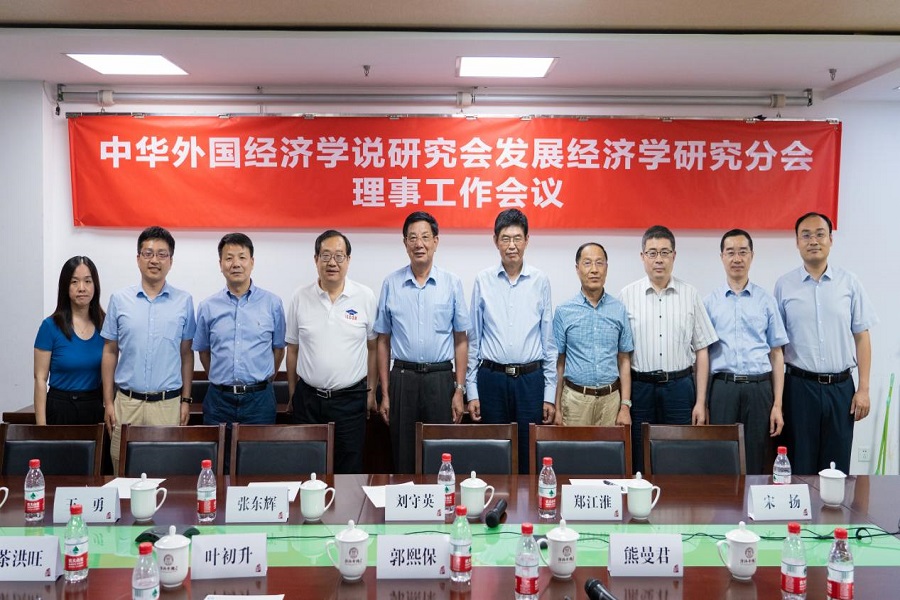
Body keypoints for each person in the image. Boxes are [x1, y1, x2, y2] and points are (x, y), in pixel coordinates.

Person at [774, 212, 878, 474]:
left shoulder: (849, 283)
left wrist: (864, 389)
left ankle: (834, 504)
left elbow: (862, 337)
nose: (813, 241)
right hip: (799, 389)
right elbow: (776, 347)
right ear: (797, 242)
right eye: (806, 235)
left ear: (830, 240)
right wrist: (777, 399)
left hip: (841, 389)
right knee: (800, 464)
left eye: (820, 234)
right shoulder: (784, 285)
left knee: (836, 468)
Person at [375, 211, 469, 474]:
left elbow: (461, 340)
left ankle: (441, 500)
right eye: (413, 237)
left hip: (440, 380)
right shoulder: (391, 284)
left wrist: (459, 390)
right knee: (402, 455)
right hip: (402, 379)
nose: (419, 244)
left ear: (436, 241)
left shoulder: (451, 283)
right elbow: (383, 340)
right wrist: (385, 393)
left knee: (441, 455)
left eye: (425, 237)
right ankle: (406, 500)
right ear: (405, 243)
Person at [619, 225, 718, 473]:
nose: (659, 259)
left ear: (674, 256)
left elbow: (702, 350)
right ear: (642, 257)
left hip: (680, 389)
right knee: (640, 458)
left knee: (680, 458)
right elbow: (622, 355)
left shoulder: (690, 294)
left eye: (665, 252)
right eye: (652, 253)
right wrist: (625, 403)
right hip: (641, 389)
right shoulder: (627, 296)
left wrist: (701, 402)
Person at [465, 209, 556, 474]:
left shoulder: (540, 281)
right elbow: (474, 339)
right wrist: (472, 390)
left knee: (529, 457)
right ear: (496, 241)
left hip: (530, 381)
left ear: (527, 240)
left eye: (517, 238)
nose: (512, 245)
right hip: (491, 379)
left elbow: (548, 342)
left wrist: (549, 395)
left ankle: (529, 503)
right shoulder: (483, 280)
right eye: (505, 238)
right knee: (494, 455)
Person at [101, 226, 195, 474]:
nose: (155, 260)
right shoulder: (119, 300)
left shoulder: (184, 301)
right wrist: (108, 402)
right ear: (138, 258)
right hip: (126, 404)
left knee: (165, 472)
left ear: (171, 261)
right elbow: (110, 351)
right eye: (148, 253)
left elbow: (186, 354)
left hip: (167, 405)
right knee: (122, 471)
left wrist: (186, 401)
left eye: (162, 254)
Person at [286, 230, 377, 474]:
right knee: (307, 467)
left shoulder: (365, 296)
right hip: (308, 400)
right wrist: (293, 393)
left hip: (351, 399)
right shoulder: (300, 297)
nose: (332, 262)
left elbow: (373, 347)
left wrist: (371, 392)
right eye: (325, 255)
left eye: (339, 256)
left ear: (348, 260)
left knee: (349, 468)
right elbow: (292, 349)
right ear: (316, 259)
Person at [704, 229, 789, 475]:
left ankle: (753, 500)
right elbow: (704, 356)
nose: (737, 258)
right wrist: (703, 401)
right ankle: (725, 502)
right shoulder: (709, 302)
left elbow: (777, 354)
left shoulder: (766, 301)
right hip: (723, 388)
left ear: (752, 256)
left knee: (757, 457)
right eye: (730, 252)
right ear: (722, 257)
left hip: (759, 389)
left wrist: (778, 404)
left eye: (743, 252)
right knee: (721, 456)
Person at [193, 233, 285, 453]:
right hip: (219, 400)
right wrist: (221, 379)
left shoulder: (272, 304)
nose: (236, 264)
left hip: (259, 400)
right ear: (220, 264)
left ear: (252, 262)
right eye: (229, 258)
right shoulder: (208, 306)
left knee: (258, 461)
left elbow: (278, 349)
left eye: (242, 257)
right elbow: (204, 351)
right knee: (218, 461)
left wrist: (261, 380)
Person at [553, 242, 634, 428]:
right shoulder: (564, 311)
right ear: (577, 269)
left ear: (606, 268)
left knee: (611, 448)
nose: (594, 270)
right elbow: (559, 363)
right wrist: (557, 408)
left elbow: (624, 360)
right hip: (575, 402)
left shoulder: (618, 309)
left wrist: (625, 406)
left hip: (611, 402)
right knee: (573, 448)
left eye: (599, 263)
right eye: (587, 263)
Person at [33, 256, 106, 425]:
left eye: (87, 281)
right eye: (74, 282)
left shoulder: (105, 325)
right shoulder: (50, 326)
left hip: (94, 407)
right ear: (65, 286)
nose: (82, 288)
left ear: (95, 286)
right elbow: (40, 379)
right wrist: (41, 429)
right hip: (60, 408)